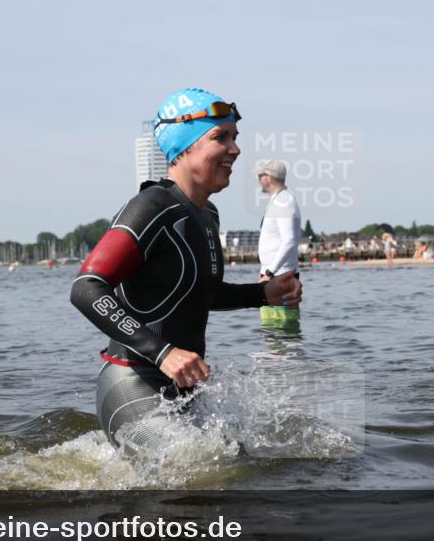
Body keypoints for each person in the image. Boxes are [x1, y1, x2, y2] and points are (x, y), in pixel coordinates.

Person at [70, 88, 302, 453]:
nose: (236, 150)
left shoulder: (206, 215)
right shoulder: (150, 207)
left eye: (235, 138)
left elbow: (195, 292)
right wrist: (163, 352)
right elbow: (86, 288)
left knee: (244, 460)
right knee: (204, 470)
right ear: (183, 147)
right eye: (219, 137)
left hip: (182, 387)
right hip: (133, 380)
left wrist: (262, 294)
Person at [255, 159, 302, 326]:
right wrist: (265, 272)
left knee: (283, 331)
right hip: (275, 275)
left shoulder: (284, 202)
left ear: (269, 177)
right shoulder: (278, 200)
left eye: (260, 175)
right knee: (271, 331)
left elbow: (290, 240)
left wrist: (269, 272)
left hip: (280, 276)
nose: (258, 179)